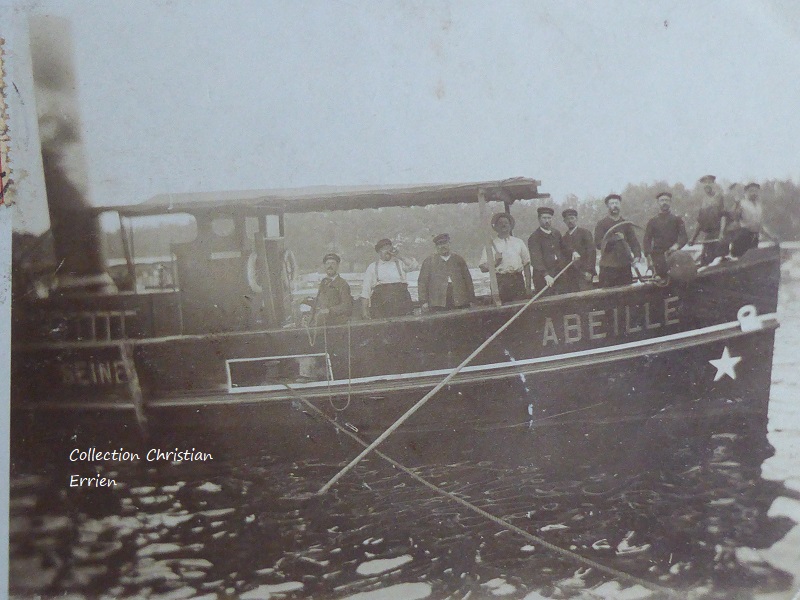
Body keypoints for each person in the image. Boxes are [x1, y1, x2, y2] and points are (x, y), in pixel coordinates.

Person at [479, 213, 531, 302]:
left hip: (517, 281)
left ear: (510, 226)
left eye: (506, 223)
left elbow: (526, 264)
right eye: (500, 223)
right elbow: (482, 268)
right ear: (496, 227)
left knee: (520, 306)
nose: (503, 225)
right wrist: (495, 263)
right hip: (500, 283)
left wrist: (528, 287)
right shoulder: (490, 245)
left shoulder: (518, 242)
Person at [361, 238, 419, 319]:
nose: (388, 251)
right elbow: (365, 291)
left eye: (389, 248)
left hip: (402, 305)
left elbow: (414, 266)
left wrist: (399, 256)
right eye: (384, 249)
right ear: (379, 252)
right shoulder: (373, 267)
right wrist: (365, 311)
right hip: (381, 308)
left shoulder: (400, 263)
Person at [594, 194, 642, 287]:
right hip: (608, 266)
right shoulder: (601, 224)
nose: (614, 205)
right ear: (607, 206)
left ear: (620, 205)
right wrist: (613, 240)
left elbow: (634, 242)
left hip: (624, 266)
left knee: (626, 292)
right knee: (607, 293)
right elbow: (598, 244)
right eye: (612, 203)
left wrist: (637, 256)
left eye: (617, 203)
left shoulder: (625, 224)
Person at [418, 233, 475, 312]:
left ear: (449, 243)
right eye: (439, 244)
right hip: (437, 301)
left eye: (444, 243)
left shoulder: (458, 259)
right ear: (436, 247)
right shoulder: (429, 261)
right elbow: (422, 282)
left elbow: (468, 280)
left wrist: (471, 299)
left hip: (459, 298)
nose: (442, 246)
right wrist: (424, 301)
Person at [643, 192, 688, 278]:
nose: (664, 202)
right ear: (658, 203)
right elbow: (647, 240)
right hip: (657, 257)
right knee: (659, 280)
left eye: (667, 200)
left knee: (676, 279)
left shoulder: (677, 219)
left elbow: (684, 236)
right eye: (662, 200)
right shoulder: (652, 221)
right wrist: (648, 256)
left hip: (674, 255)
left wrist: (677, 245)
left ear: (670, 202)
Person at [689, 175, 728, 266]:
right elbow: (700, 222)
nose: (707, 185)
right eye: (705, 183)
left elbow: (723, 216)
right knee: (704, 261)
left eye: (709, 182)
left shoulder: (719, 197)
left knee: (720, 262)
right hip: (708, 236)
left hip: (719, 234)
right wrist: (693, 238)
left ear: (713, 184)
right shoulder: (703, 200)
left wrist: (722, 233)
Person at [527, 206, 565, 294]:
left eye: (549, 218)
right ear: (539, 219)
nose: (547, 221)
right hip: (543, 277)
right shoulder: (534, 237)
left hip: (558, 273)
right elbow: (536, 259)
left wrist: (573, 252)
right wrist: (546, 275)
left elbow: (564, 249)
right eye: (544, 218)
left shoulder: (556, 233)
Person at [560, 208, 596, 292]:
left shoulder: (585, 233)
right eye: (567, 219)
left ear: (576, 219)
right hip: (571, 276)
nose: (570, 221)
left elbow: (591, 252)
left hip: (584, 274)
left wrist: (589, 271)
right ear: (564, 221)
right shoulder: (564, 238)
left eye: (572, 218)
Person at [311, 253, 353, 326]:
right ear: (324, 266)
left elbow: (346, 306)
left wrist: (329, 311)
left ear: (337, 266)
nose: (330, 266)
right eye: (327, 263)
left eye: (333, 263)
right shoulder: (323, 283)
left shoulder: (342, 284)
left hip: (336, 324)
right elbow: (321, 302)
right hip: (322, 323)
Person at [729, 182, 764, 258]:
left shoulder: (759, 206)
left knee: (753, 258)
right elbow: (734, 217)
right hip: (743, 236)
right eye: (751, 191)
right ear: (746, 192)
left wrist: (770, 237)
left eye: (756, 191)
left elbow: (759, 224)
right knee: (741, 258)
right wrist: (736, 205)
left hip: (755, 237)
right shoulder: (741, 203)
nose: (754, 193)